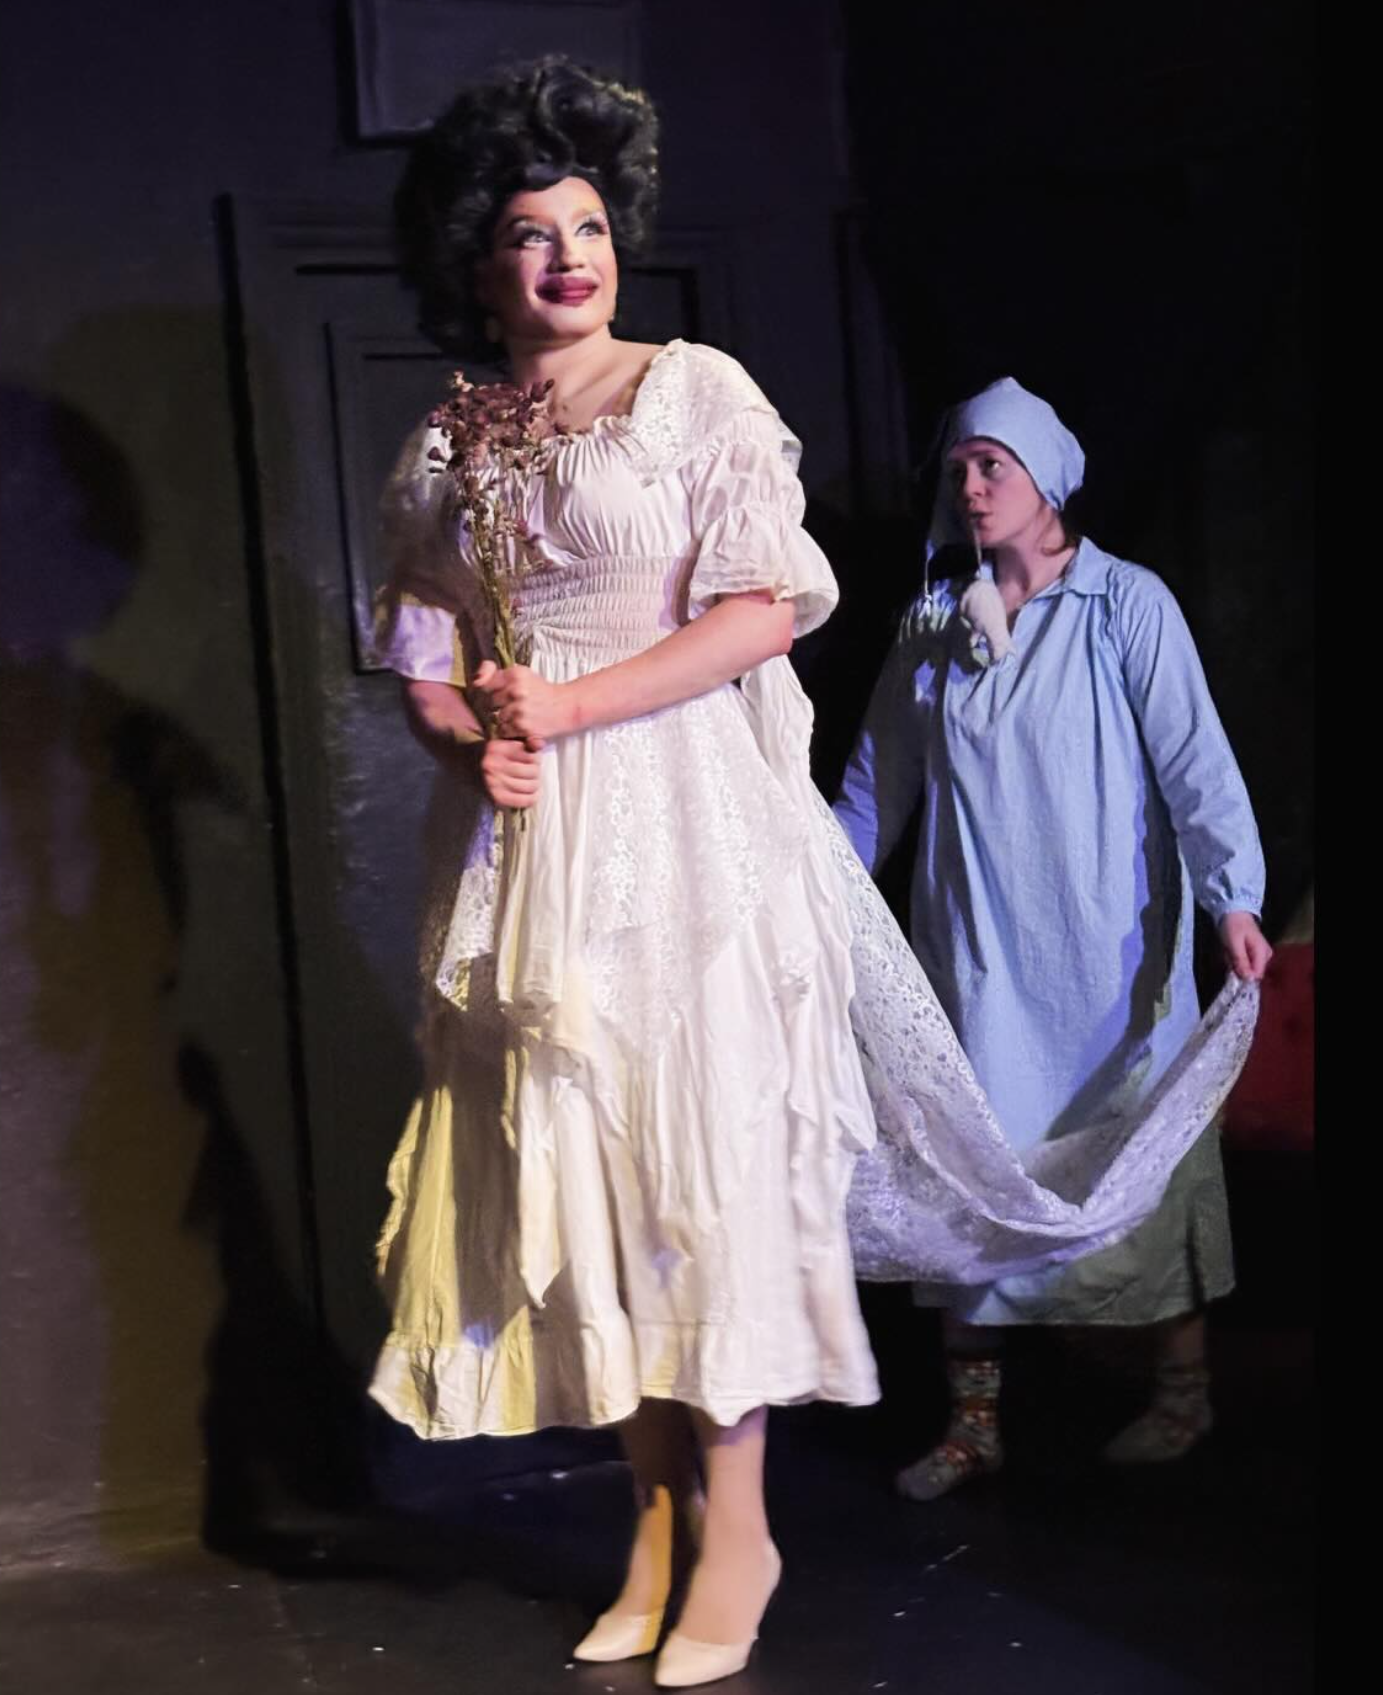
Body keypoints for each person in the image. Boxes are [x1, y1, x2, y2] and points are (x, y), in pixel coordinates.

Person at [368, 57, 883, 1687]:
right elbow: (423, 653)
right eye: (530, 234)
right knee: (577, 1176)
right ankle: (652, 1521)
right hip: (536, 848)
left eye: (586, 226)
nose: (566, 258)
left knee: (691, 1170)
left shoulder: (692, 392)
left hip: (682, 824)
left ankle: (739, 1530)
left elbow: (761, 608)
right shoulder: (450, 436)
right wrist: (473, 743)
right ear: (477, 264)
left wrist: (575, 706)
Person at [833, 377, 1273, 1500]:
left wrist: (1233, 899)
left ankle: (1181, 1395)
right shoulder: (933, 625)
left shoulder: (1125, 605)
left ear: (1047, 479)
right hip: (981, 962)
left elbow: (1195, 763)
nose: (972, 486)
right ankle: (974, 1422)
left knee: (1136, 1164)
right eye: (959, 469)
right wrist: (807, 898)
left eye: (994, 465)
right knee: (972, 1181)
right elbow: (875, 790)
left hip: (1108, 961)